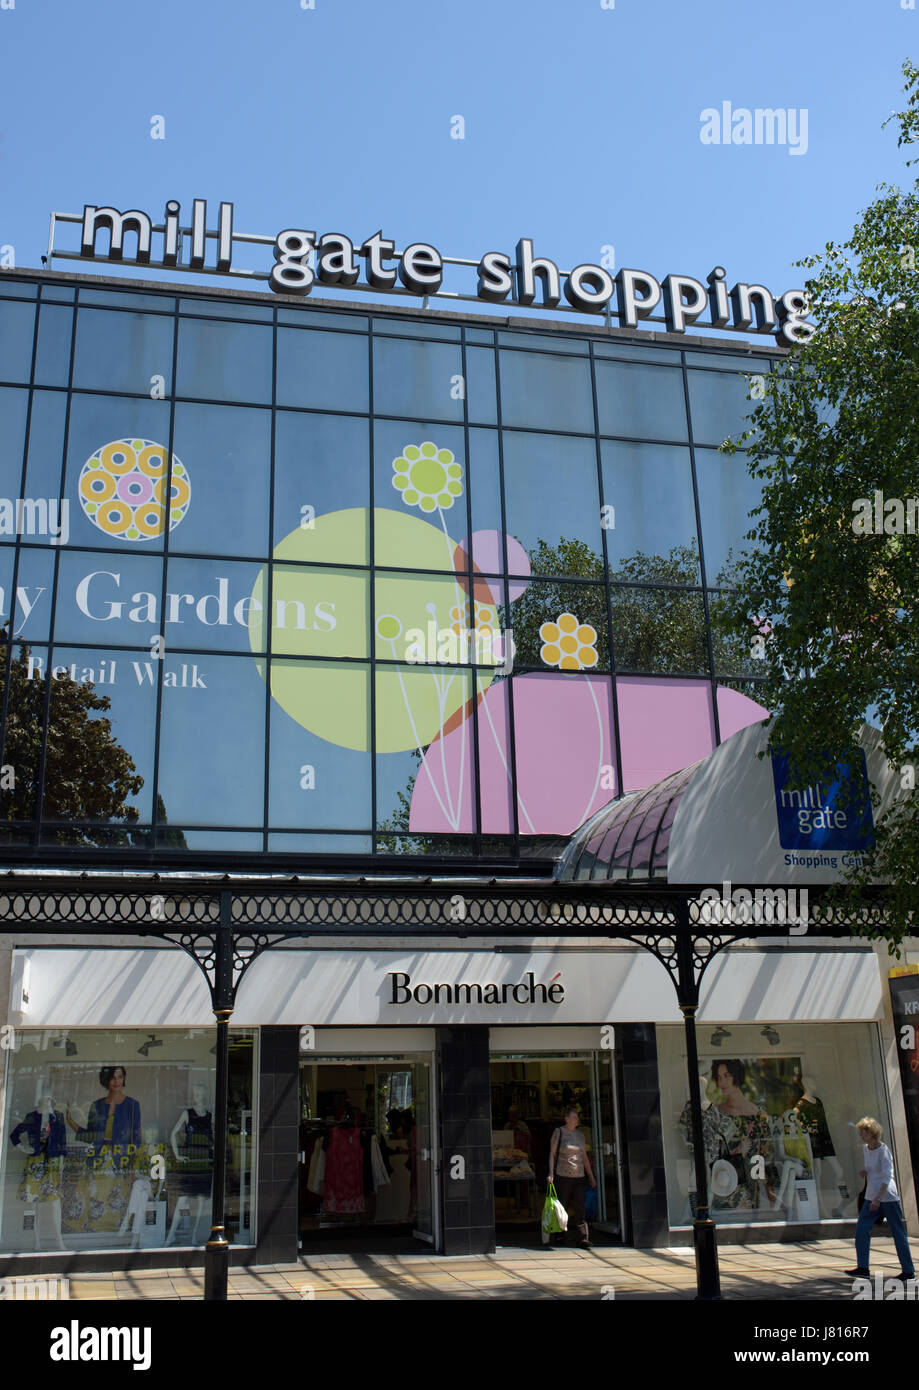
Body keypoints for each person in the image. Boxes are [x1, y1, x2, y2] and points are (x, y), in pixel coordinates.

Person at [845, 1117, 915, 1280]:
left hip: (887, 1197)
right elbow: (873, 1170)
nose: (862, 1135)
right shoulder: (865, 1149)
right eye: (861, 1132)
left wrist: (878, 1199)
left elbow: (886, 1176)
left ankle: (908, 1270)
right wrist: (865, 1172)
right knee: (862, 1229)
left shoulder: (883, 1150)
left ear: (872, 1133)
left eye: (865, 1132)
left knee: (898, 1232)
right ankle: (863, 1267)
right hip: (871, 1195)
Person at [548, 1107, 596, 1249]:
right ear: (566, 1119)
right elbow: (552, 1154)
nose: (577, 1119)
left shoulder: (580, 1135)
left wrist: (591, 1176)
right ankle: (559, 1233)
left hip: (579, 1175)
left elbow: (584, 1157)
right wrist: (551, 1173)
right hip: (563, 1175)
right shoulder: (559, 1132)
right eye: (574, 1117)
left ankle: (583, 1238)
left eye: (577, 1117)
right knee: (562, 1205)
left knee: (579, 1206)